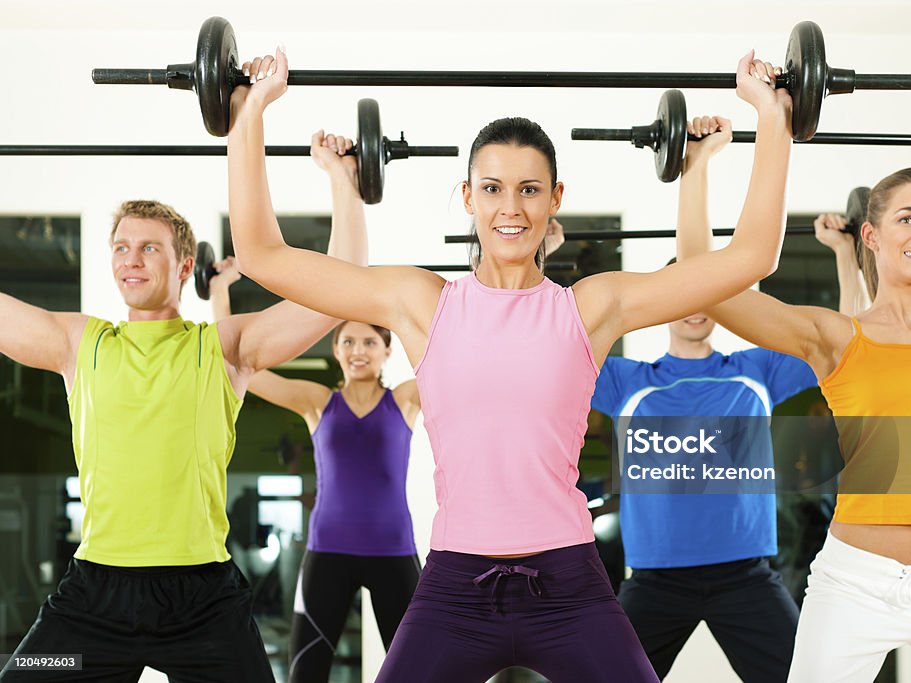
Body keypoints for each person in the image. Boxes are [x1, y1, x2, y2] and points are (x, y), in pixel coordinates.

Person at [226, 46, 794, 682]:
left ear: (555, 198)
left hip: (569, 584)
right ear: (468, 196)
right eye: (492, 189)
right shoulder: (421, 303)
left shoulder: (591, 307)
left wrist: (772, 117)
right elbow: (262, 255)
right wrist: (248, 114)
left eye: (529, 190)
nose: (511, 208)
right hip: (455, 589)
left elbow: (751, 258)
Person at [0, 133, 359, 683]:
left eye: (149, 248)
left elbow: (341, 290)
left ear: (184, 263)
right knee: (29, 673)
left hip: (202, 602)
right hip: (96, 597)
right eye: (121, 247)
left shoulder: (222, 348)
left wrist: (343, 180)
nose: (131, 260)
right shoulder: (79, 344)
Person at [680, 165, 911, 682]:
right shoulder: (837, 337)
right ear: (872, 234)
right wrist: (696, 165)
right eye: (907, 218)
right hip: (858, 584)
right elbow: (701, 281)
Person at [588, 114, 868, 682]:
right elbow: (550, 350)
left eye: (707, 293)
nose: (695, 304)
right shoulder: (627, 382)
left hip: (746, 577)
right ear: (662, 303)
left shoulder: (757, 371)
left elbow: (848, 340)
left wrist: (846, 252)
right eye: (681, 293)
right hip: (654, 579)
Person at [209, 139, 422, 679]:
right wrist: (219, 296)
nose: (357, 350)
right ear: (335, 349)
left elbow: (457, 362)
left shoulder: (406, 401)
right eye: (347, 342)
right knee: (306, 672)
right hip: (327, 551)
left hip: (396, 552)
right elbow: (242, 366)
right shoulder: (316, 403)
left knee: (419, 673)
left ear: (386, 350)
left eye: (369, 342)